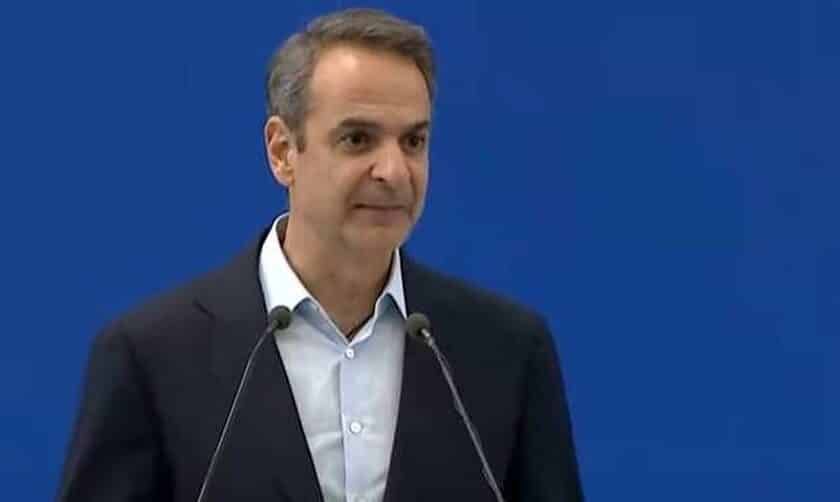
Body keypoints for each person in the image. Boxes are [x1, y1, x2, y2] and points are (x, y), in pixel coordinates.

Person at [58, 8, 583, 502]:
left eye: (413, 142)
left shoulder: (507, 349)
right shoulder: (151, 355)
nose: (394, 172)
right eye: (358, 139)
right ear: (282, 152)